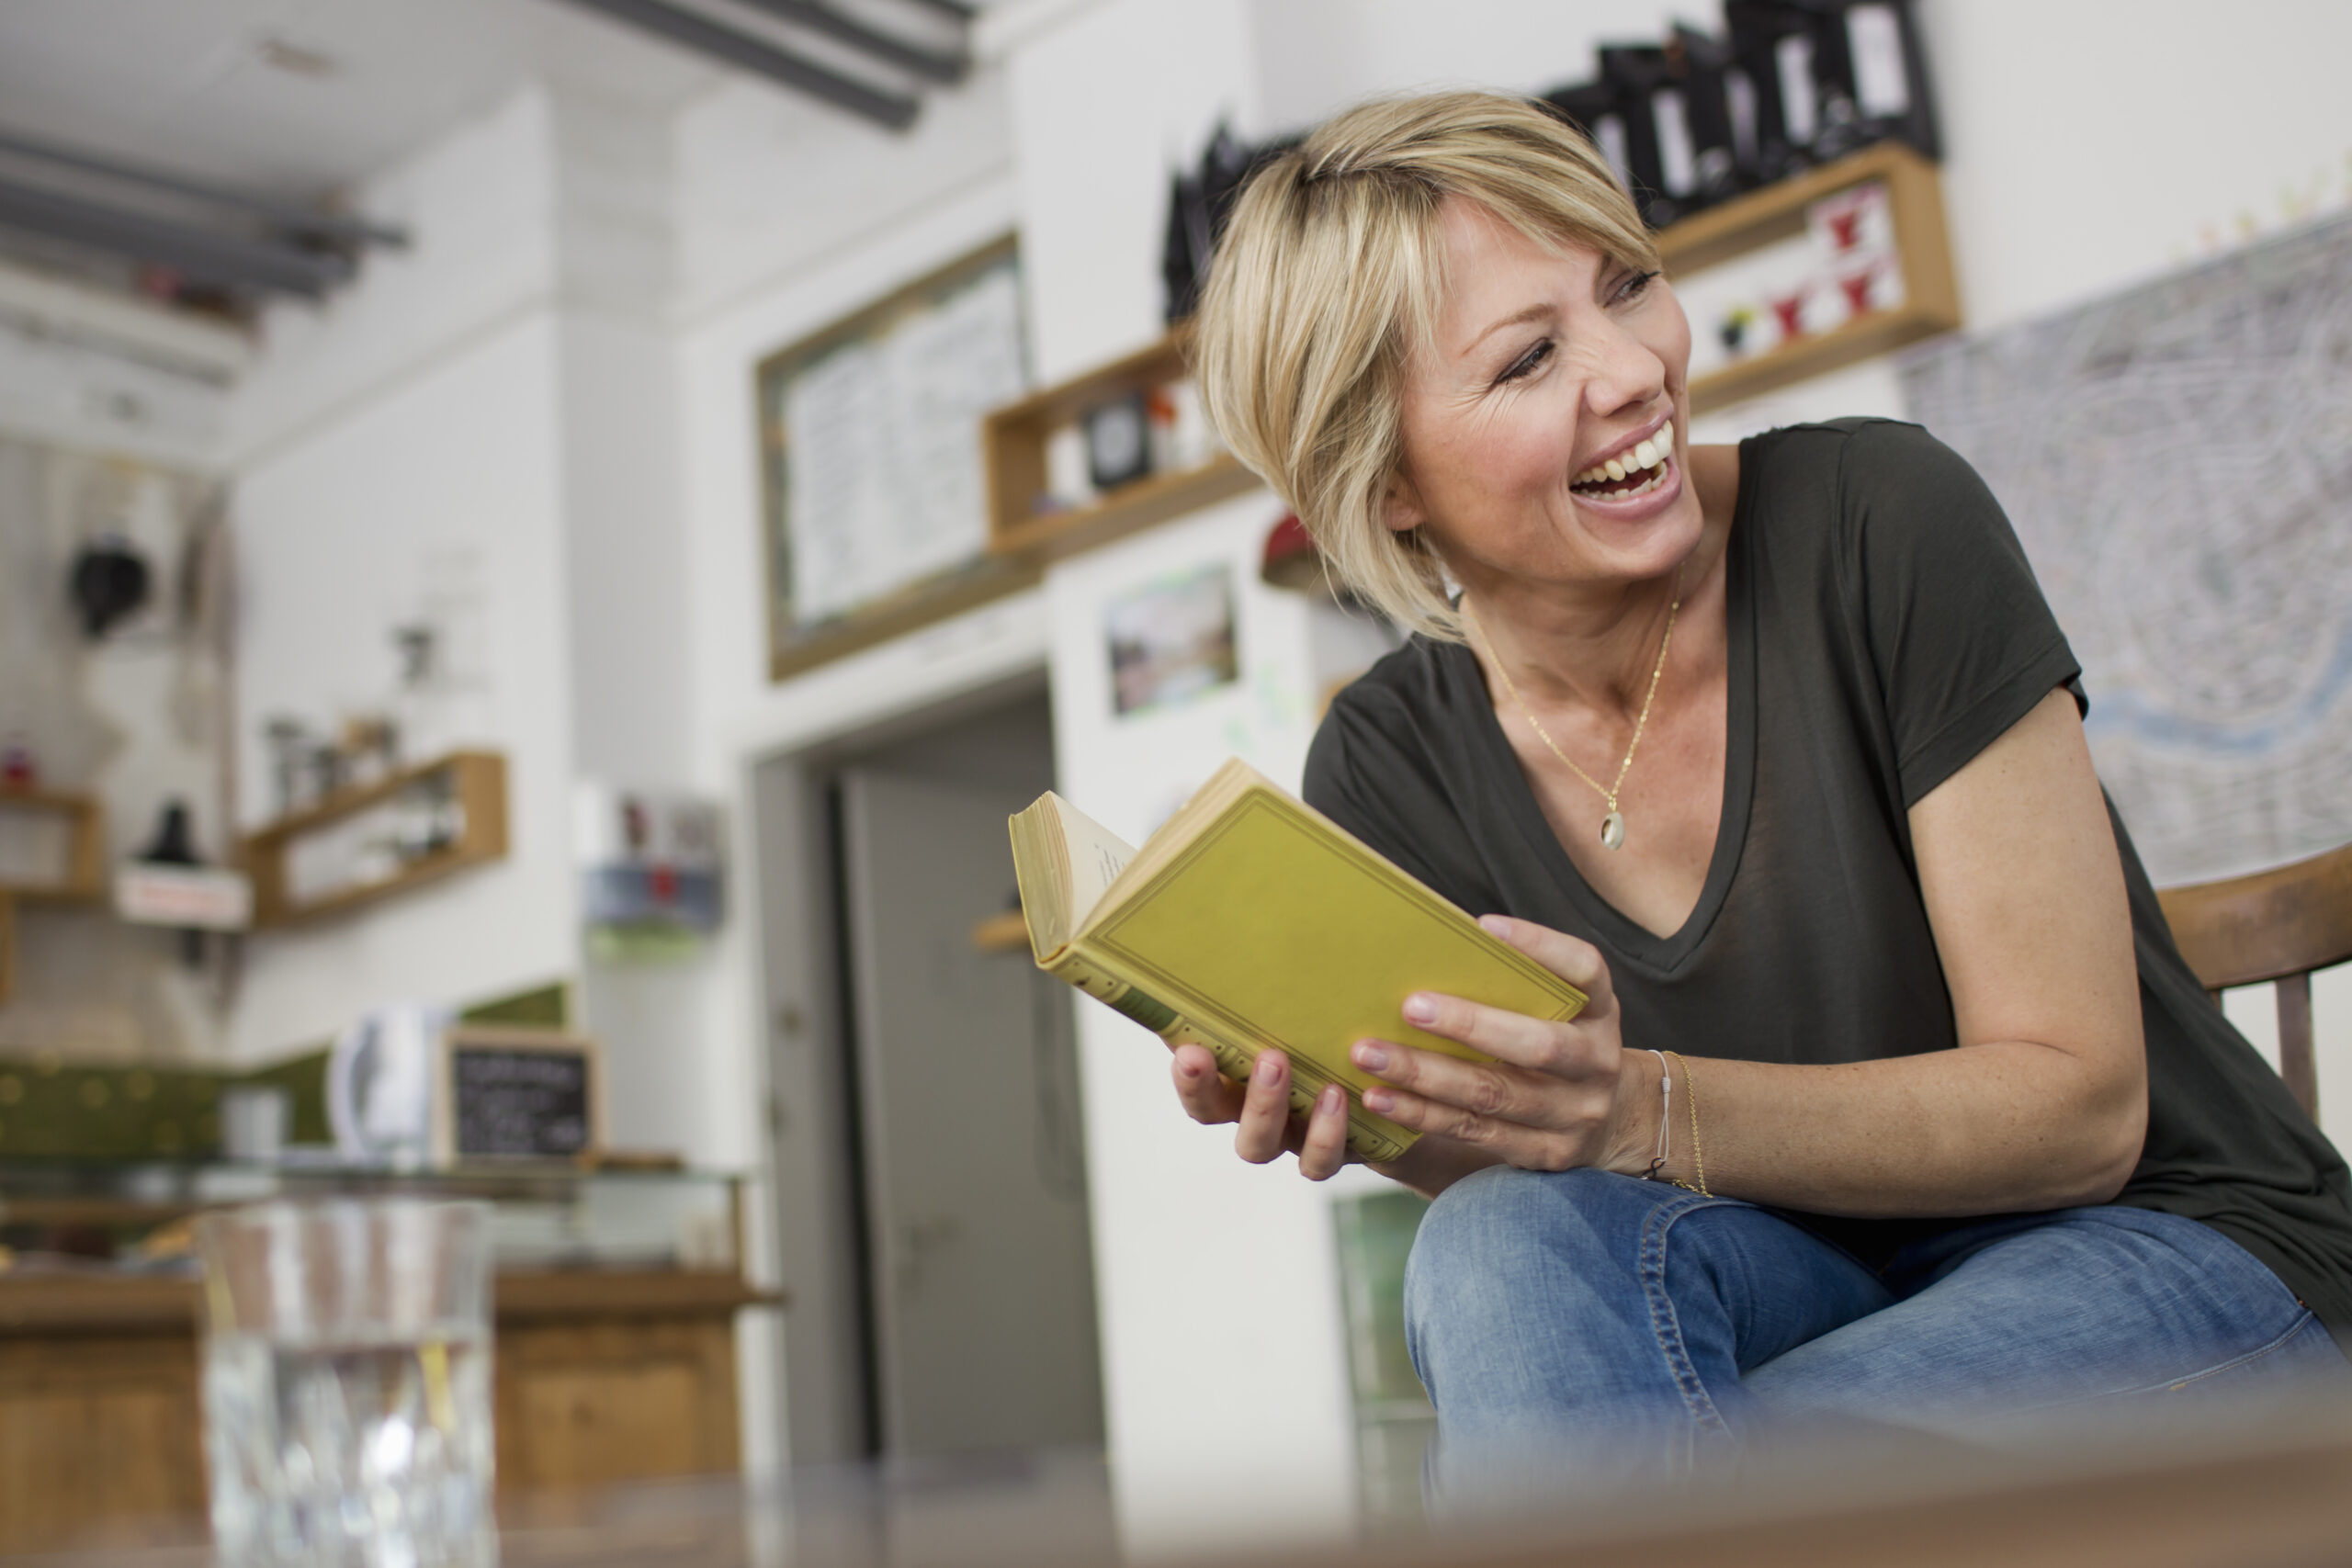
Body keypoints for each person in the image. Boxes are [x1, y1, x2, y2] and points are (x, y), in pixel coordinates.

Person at [1176, 90, 2352, 1495]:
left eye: (1627, 284)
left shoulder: (1880, 521)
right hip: (1804, 1279)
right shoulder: (1382, 766)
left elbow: (2083, 1113)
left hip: (2182, 1243)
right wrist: (1389, 1107)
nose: (1634, 370)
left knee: (1735, 1470)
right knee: (1496, 1250)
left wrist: (1628, 1106)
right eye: (1531, 357)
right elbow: (1546, 1233)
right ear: (1384, 483)